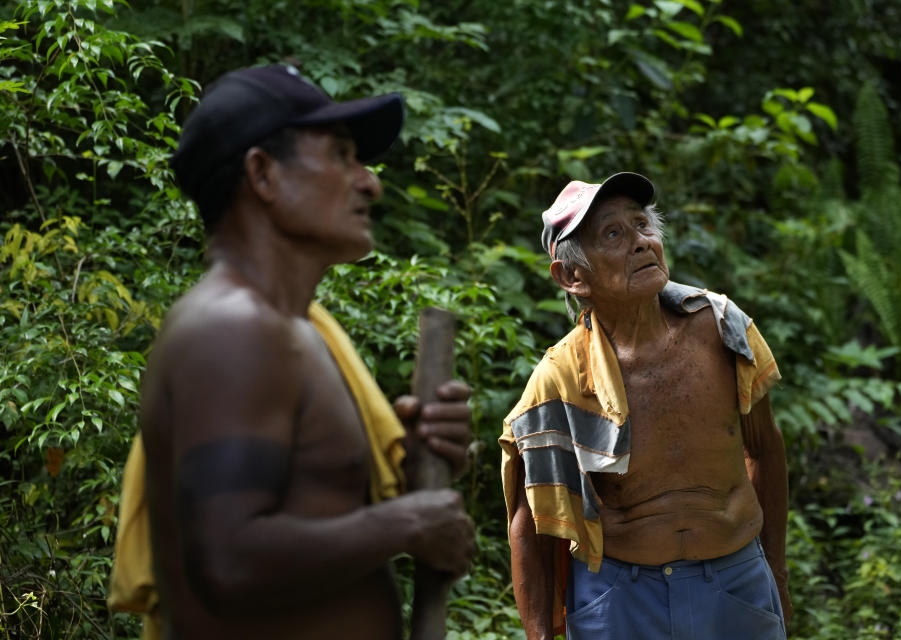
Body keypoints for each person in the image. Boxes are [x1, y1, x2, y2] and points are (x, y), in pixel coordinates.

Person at [107, 64, 476, 639]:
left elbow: (309, 512)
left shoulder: (298, 331)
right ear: (263, 174)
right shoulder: (232, 329)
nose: (370, 182)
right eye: (341, 156)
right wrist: (403, 524)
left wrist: (415, 463)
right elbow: (228, 561)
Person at [500, 173, 791, 640]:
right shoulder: (560, 379)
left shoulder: (723, 328)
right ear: (572, 276)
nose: (641, 243)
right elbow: (529, 524)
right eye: (613, 234)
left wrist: (775, 571)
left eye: (642, 225)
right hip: (621, 599)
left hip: (736, 580)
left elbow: (766, 449)